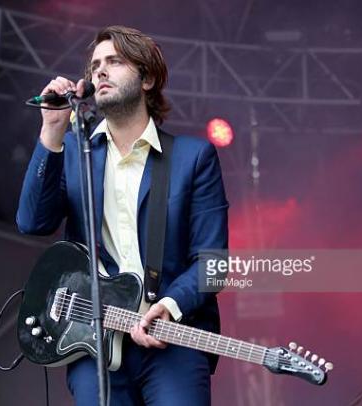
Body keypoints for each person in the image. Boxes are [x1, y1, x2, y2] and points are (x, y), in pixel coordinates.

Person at [17, 25, 228, 406]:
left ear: (147, 78)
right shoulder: (75, 153)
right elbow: (32, 222)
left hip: (172, 340)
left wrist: (170, 305)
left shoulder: (192, 159)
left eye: (114, 61)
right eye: (96, 64)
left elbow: (213, 263)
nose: (99, 71)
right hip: (92, 338)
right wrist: (51, 130)